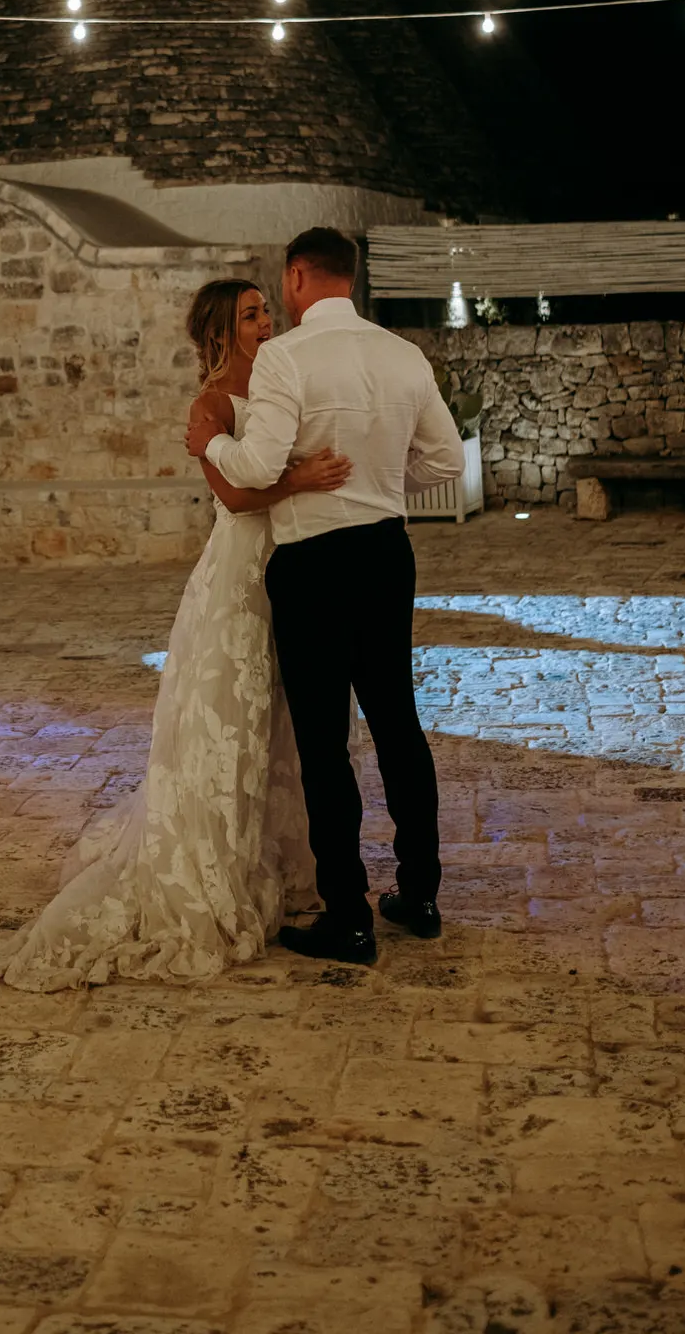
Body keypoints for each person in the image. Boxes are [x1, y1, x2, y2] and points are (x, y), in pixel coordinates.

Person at [2, 278, 353, 991]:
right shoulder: (210, 405)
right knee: (231, 718)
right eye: (252, 315)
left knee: (286, 724)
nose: (266, 322)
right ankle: (212, 870)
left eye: (264, 311)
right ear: (223, 331)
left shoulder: (284, 380)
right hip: (239, 573)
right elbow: (232, 495)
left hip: (295, 559)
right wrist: (301, 480)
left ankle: (290, 862)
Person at [186, 227, 465, 966]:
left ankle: (348, 916)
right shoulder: (402, 354)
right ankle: (421, 894)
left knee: (322, 744)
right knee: (398, 722)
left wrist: (209, 446)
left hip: (312, 560)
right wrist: (375, 485)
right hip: (385, 552)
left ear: (299, 276)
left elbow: (254, 463)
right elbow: (444, 458)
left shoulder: (286, 357)